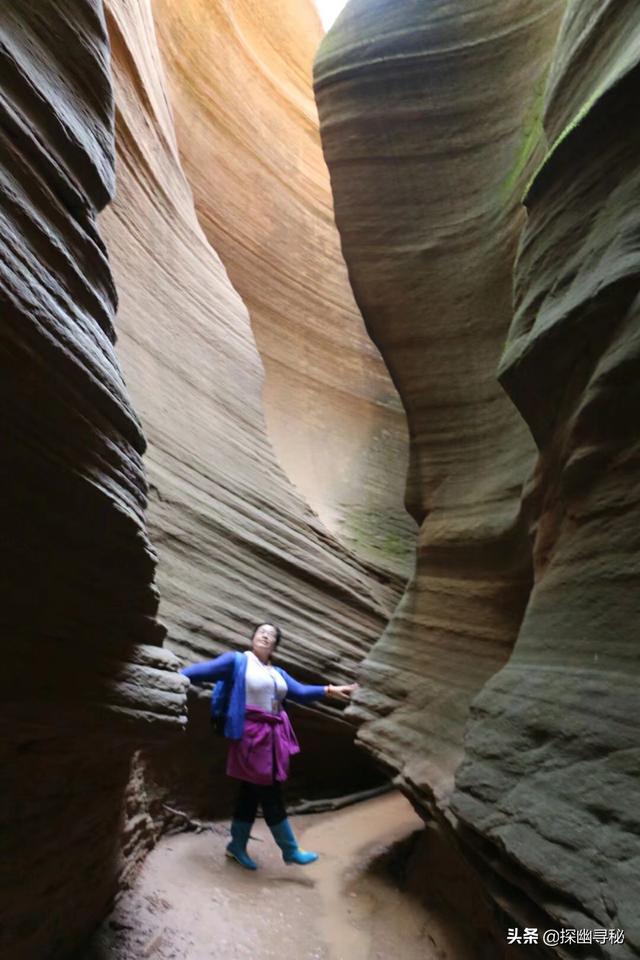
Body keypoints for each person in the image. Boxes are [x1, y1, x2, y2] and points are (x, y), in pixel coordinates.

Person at [181, 623, 357, 870]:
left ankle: (236, 846)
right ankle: (291, 850)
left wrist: (330, 690)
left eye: (271, 635)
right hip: (251, 736)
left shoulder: (277, 672)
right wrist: (174, 675)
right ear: (253, 637)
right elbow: (202, 671)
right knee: (269, 790)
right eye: (261, 631)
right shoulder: (238, 661)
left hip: (273, 736)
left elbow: (301, 692)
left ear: (275, 645)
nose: (265, 635)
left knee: (250, 793)